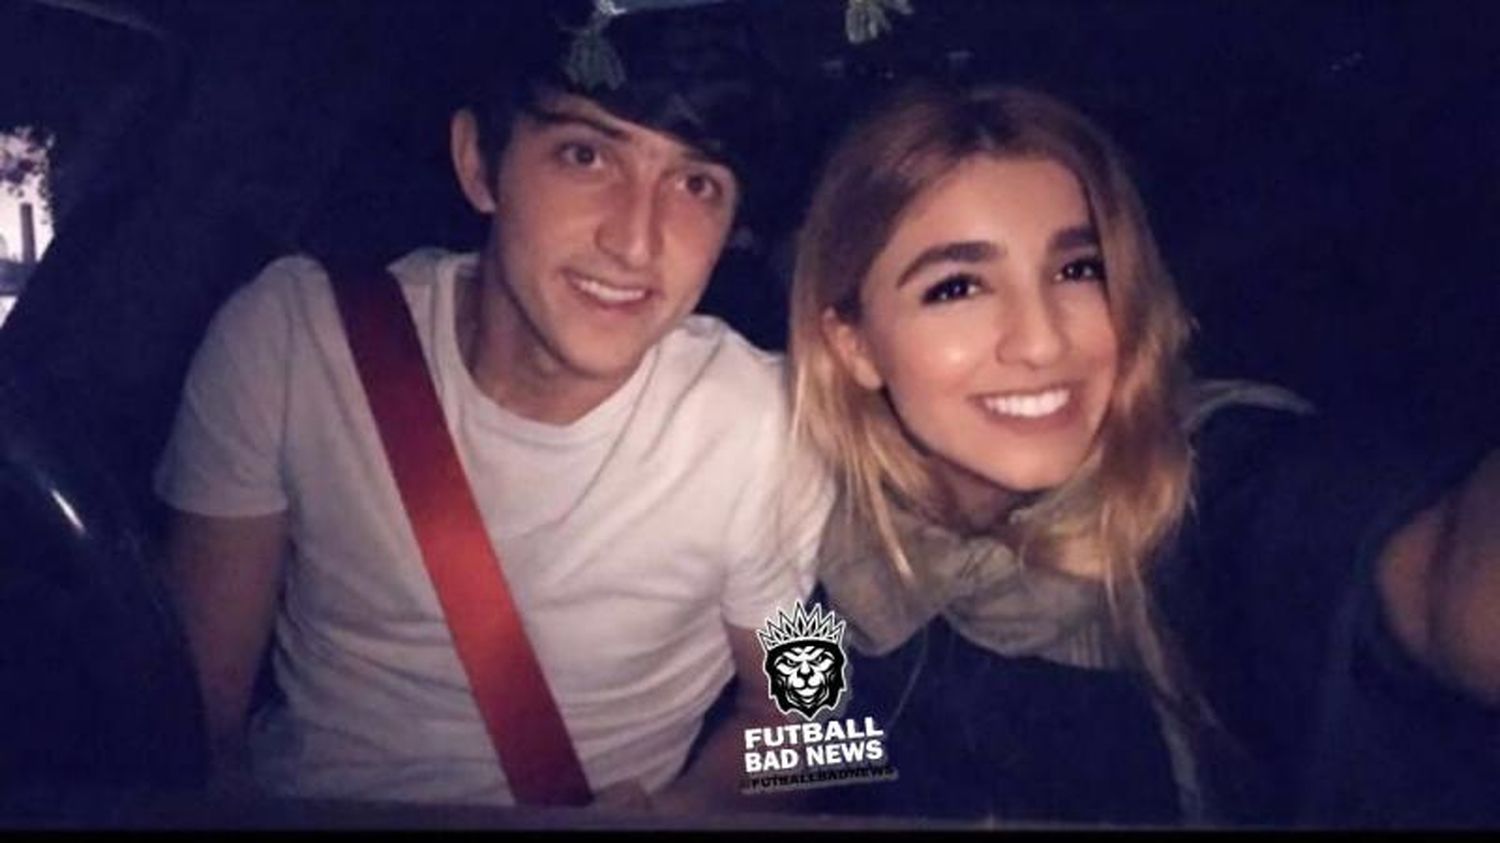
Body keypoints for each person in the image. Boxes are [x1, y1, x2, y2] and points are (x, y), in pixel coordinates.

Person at [155, 4, 828, 811]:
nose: (636, 242)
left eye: (695, 184)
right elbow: (187, 727)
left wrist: (673, 813)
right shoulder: (294, 340)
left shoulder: (765, 428)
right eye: (586, 155)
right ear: (479, 163)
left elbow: (811, 724)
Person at [788, 81, 1498, 825]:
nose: (1041, 342)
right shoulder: (809, 531)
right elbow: (804, 751)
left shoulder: (1211, 487)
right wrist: (733, 784)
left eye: (1078, 270)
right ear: (853, 343)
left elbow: (1425, 574)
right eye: (958, 286)